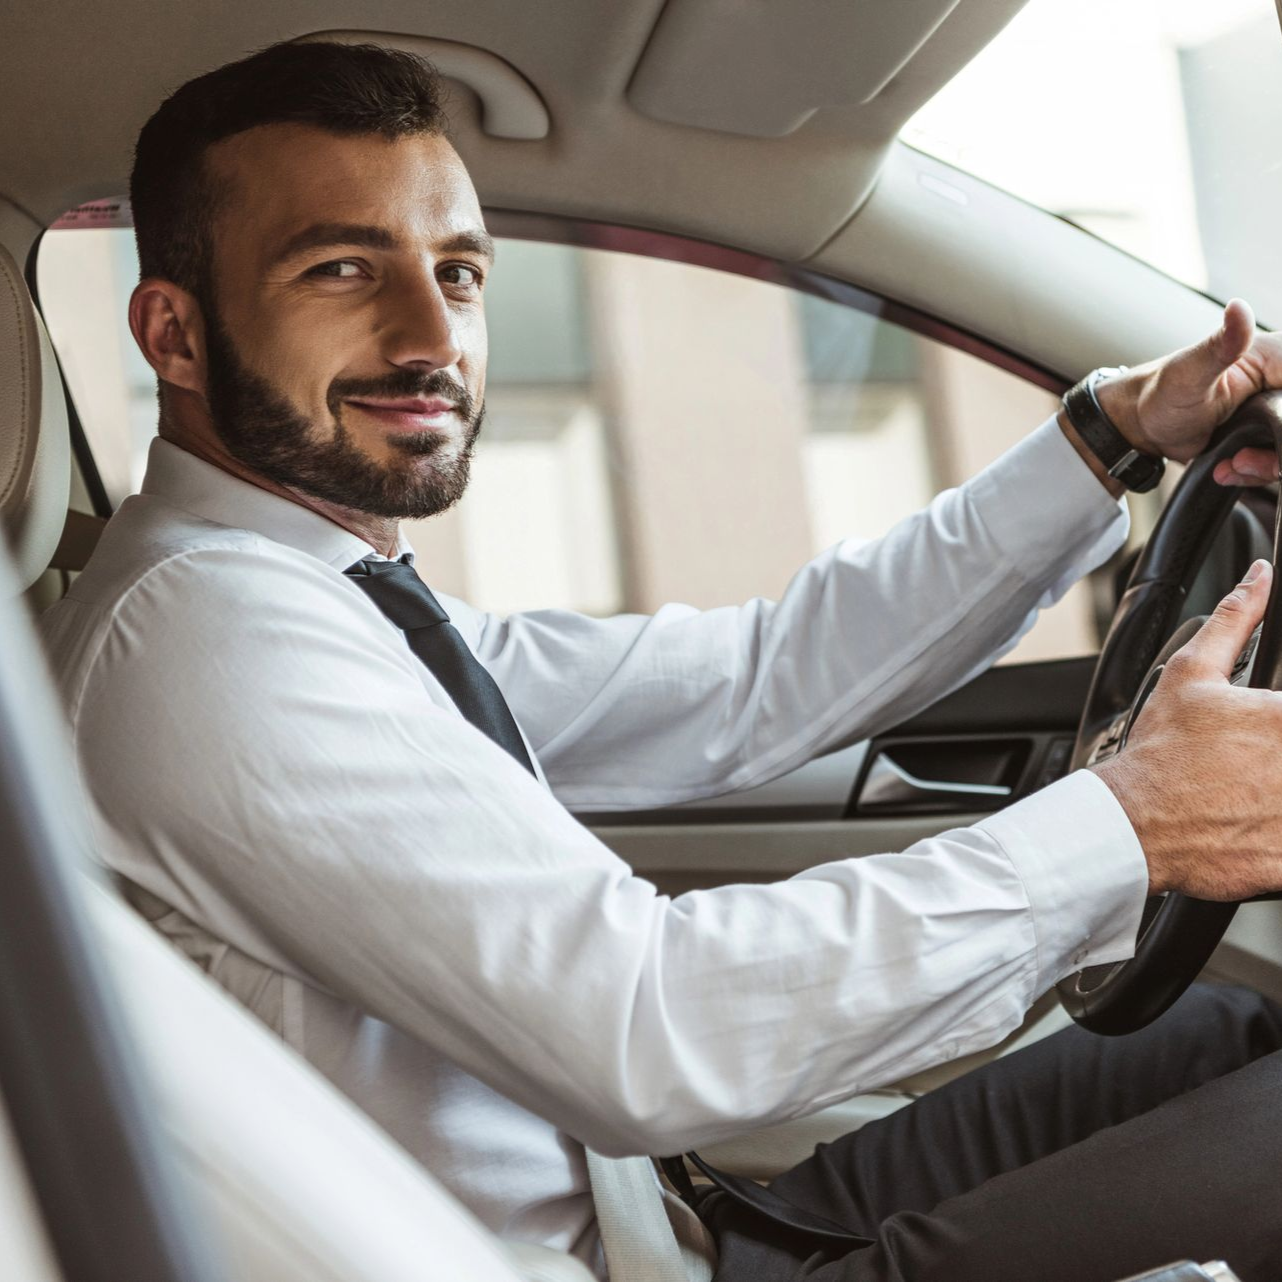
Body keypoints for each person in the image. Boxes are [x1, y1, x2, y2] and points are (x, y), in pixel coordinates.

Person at [37, 40, 1282, 1282]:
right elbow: (651, 1024)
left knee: (1221, 1036)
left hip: (682, 1230)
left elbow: (757, 679)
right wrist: (1131, 823)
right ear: (176, 335)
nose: (432, 334)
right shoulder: (209, 646)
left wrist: (1106, 435)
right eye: (342, 269)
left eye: (458, 271)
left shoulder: (307, 593)